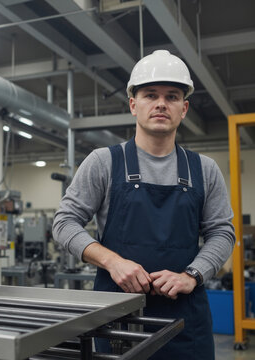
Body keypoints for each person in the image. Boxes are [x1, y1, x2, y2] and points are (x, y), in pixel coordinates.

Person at [52, 50, 235, 359]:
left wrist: (192, 275)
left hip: (185, 322)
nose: (161, 103)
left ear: (184, 108)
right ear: (133, 105)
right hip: (118, 320)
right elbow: (64, 223)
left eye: (172, 96)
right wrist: (113, 262)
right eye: (151, 95)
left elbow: (222, 233)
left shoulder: (204, 169)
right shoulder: (104, 162)